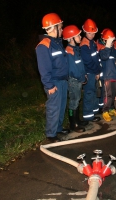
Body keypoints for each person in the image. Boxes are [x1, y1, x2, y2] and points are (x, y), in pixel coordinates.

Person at [35, 13, 70, 143]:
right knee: (54, 108)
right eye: (60, 28)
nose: (62, 30)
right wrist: (49, 85)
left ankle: (58, 128)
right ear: (54, 27)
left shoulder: (57, 43)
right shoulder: (44, 45)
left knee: (61, 106)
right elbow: (43, 68)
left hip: (62, 80)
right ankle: (51, 133)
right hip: (53, 82)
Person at [62, 25, 88, 133]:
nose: (80, 36)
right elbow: (73, 70)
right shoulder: (69, 51)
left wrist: (84, 75)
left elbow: (80, 66)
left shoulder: (75, 49)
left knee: (77, 100)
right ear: (71, 38)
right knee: (74, 101)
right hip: (73, 80)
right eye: (78, 35)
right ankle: (73, 124)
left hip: (78, 79)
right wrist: (82, 78)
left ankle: (77, 120)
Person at [97, 28, 116, 121]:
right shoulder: (102, 49)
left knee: (114, 95)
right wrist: (107, 45)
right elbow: (104, 56)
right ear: (105, 40)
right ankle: (105, 111)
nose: (112, 42)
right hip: (107, 76)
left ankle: (111, 109)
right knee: (107, 95)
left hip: (115, 75)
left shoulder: (114, 49)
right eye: (110, 40)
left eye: (113, 40)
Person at [80, 19, 102, 122]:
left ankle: (93, 112)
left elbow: (96, 58)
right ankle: (88, 116)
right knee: (89, 94)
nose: (91, 35)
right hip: (89, 73)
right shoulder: (84, 44)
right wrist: (97, 71)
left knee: (93, 92)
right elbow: (88, 62)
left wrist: (97, 71)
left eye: (93, 33)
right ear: (85, 31)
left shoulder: (92, 42)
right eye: (89, 33)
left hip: (94, 72)